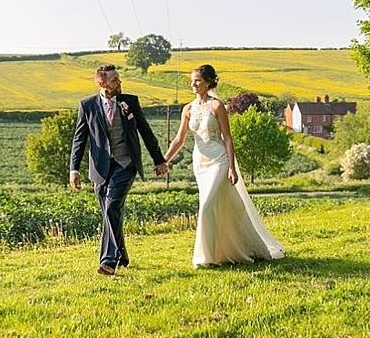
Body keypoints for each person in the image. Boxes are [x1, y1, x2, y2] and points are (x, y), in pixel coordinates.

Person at [163, 64, 285, 267]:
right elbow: (179, 140)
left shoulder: (217, 106)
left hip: (219, 160)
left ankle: (205, 257)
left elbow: (227, 138)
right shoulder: (188, 109)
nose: (193, 84)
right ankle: (222, 251)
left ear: (208, 82)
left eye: (198, 80)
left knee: (207, 205)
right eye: (192, 80)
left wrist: (231, 167)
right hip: (200, 163)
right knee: (217, 206)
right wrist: (163, 160)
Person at [70, 65, 169, 276]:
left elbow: (145, 131)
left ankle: (109, 261)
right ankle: (122, 256)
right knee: (110, 212)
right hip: (100, 168)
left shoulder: (129, 102)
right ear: (102, 83)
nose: (119, 83)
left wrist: (159, 159)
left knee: (112, 205)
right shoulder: (87, 105)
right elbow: (79, 139)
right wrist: (74, 169)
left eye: (119, 79)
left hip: (126, 163)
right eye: (115, 80)